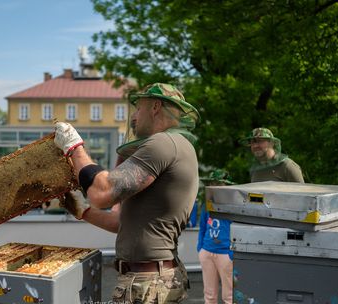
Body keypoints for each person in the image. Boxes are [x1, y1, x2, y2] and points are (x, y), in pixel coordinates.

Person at [55, 83, 200, 303]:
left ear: (155, 107)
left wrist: (74, 146)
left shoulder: (163, 143)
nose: (135, 115)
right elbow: (120, 222)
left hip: (148, 283)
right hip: (156, 278)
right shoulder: (177, 145)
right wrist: (81, 210)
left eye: (138, 108)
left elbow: (102, 192)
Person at [197, 169, 234, 304]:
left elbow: (237, 231)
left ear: (227, 187)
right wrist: (200, 248)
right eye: (212, 183)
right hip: (207, 251)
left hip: (225, 254)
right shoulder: (208, 205)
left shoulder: (233, 207)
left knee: (229, 296)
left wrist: (231, 253)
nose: (215, 186)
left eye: (219, 183)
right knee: (209, 295)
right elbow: (203, 227)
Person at [240, 127, 304, 183]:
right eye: (252, 142)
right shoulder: (254, 169)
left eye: (260, 141)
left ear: (272, 143)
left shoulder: (287, 166)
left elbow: (302, 194)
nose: (255, 146)